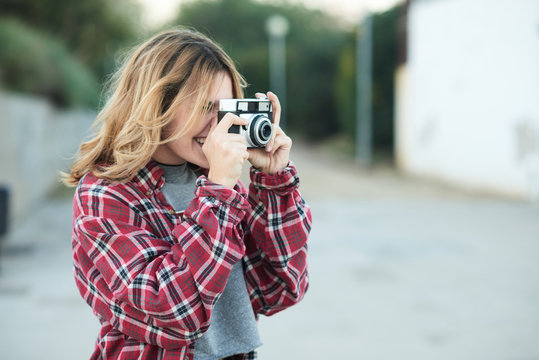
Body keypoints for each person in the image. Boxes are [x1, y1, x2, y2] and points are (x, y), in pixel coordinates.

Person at [62, 28, 312, 360]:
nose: (220, 124)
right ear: (156, 104)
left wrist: (274, 181)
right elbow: (172, 310)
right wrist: (220, 192)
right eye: (205, 107)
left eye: (226, 109)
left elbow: (281, 288)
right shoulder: (108, 193)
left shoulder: (216, 183)